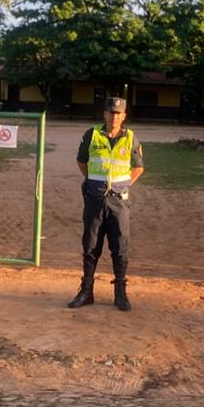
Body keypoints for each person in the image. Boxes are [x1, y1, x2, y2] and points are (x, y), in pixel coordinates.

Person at [68, 97, 144, 311]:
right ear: (104, 114)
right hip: (95, 199)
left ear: (124, 116)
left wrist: (122, 185)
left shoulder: (130, 138)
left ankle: (120, 293)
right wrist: (95, 181)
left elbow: (138, 167)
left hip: (119, 202)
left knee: (120, 247)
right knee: (91, 246)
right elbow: (82, 162)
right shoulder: (92, 135)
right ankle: (86, 292)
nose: (114, 116)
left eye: (118, 113)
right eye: (111, 112)